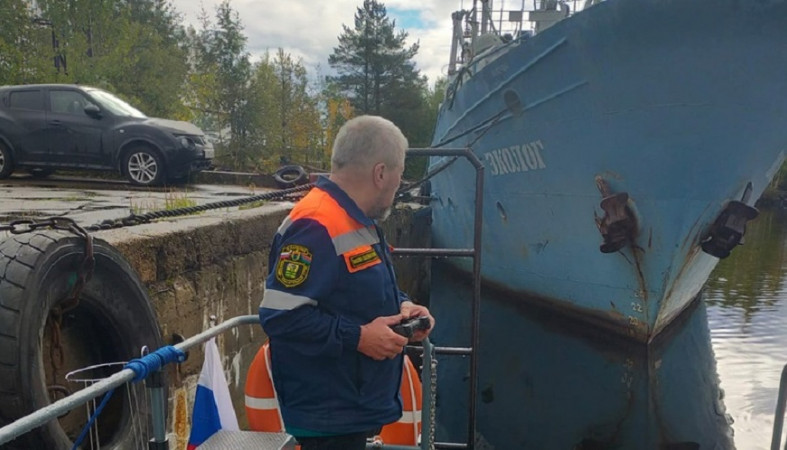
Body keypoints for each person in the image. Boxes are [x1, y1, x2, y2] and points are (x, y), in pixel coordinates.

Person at [258, 115, 435, 450]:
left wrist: (403, 306)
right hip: (326, 416)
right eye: (398, 177)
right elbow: (281, 316)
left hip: (349, 405)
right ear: (380, 174)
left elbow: (357, 289)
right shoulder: (316, 225)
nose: (398, 188)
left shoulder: (355, 220)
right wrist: (359, 337)